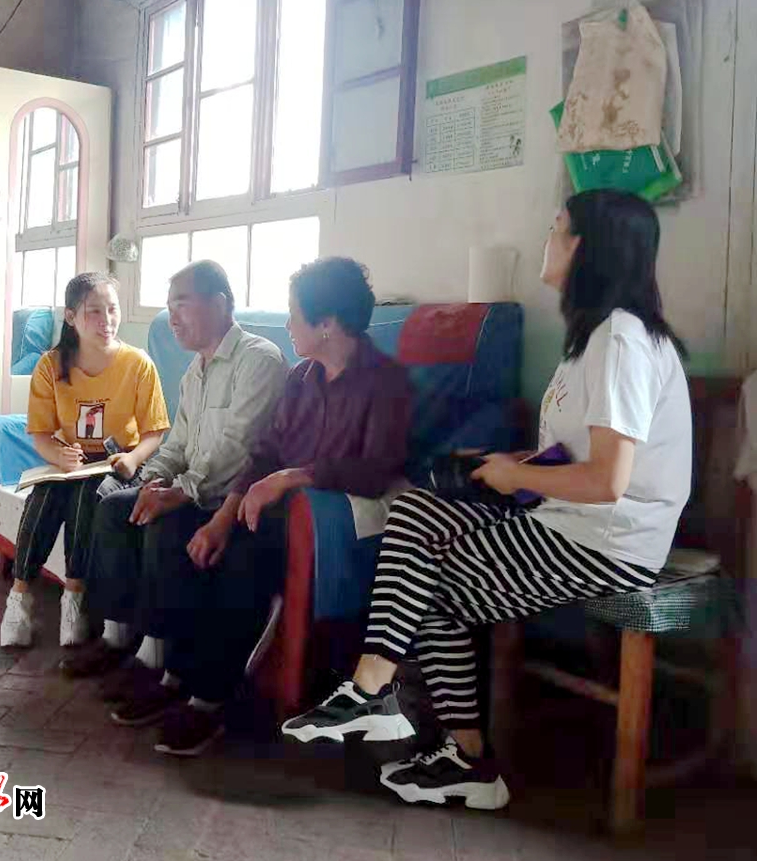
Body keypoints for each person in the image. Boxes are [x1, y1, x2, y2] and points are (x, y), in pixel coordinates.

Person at [282, 190, 692, 812]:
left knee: (425, 583)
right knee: (414, 512)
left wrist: (513, 475)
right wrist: (508, 464)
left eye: (557, 229)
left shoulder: (622, 339)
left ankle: (422, 725)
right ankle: (413, 719)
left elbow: (609, 481)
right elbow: (580, 456)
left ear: (587, 247)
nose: (546, 240)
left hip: (607, 542)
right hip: (567, 520)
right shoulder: (594, 339)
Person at [111, 256, 414, 758]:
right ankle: (175, 675)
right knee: (183, 530)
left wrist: (292, 477)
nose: (288, 324)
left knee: (241, 556)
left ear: (327, 323)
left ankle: (210, 700)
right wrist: (222, 517)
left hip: (325, 523)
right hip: (269, 508)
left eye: (295, 314)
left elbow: (376, 469)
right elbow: (265, 453)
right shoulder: (302, 379)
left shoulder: (385, 383)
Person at [62, 260, 287, 681]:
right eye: (169, 307)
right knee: (114, 507)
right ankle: (116, 636)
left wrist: (179, 492)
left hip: (227, 500)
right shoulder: (194, 371)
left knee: (163, 522)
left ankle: (155, 656)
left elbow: (238, 447)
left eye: (182, 304)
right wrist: (150, 481)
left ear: (219, 303)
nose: (173, 318)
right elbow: (177, 445)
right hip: (190, 489)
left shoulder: (259, 360)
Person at [0, 273, 171, 648]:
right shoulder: (50, 365)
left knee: (84, 497)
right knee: (44, 496)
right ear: (71, 316)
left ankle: (73, 599)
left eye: (112, 309)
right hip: (70, 462)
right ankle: (19, 597)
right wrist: (58, 456)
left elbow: (154, 432)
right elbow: (41, 434)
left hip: (119, 462)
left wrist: (133, 458)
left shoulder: (138, 364)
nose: (106, 320)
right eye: (94, 311)